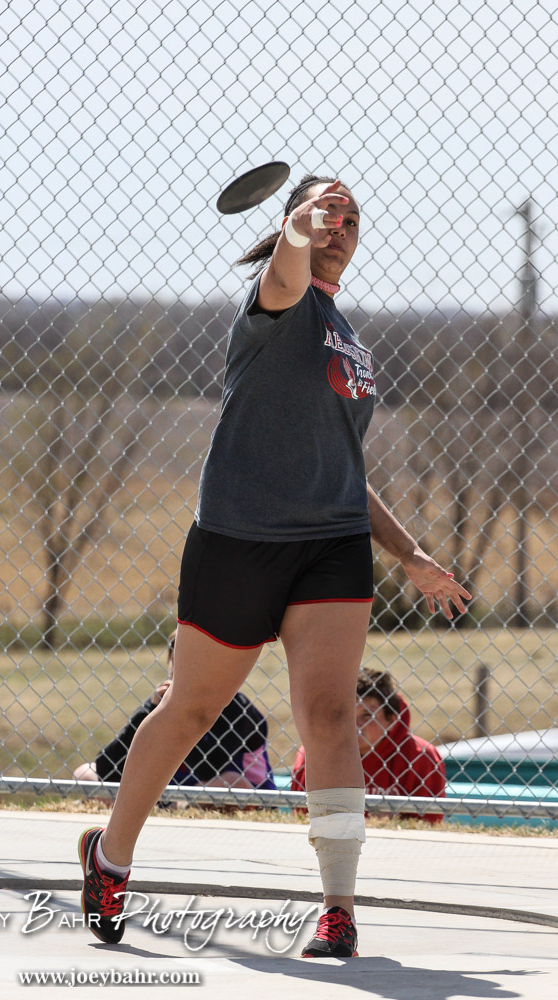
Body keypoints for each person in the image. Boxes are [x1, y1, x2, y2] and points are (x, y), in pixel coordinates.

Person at [78, 172, 471, 958]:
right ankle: (110, 859)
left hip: (331, 545)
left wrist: (410, 554)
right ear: (295, 222)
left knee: (328, 714)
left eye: (351, 218)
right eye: (327, 213)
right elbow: (286, 271)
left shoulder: (346, 334)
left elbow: (343, 466)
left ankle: (337, 909)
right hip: (240, 536)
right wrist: (298, 228)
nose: (340, 227)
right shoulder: (277, 302)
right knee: (191, 709)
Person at [73, 631, 275, 791]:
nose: (188, 670)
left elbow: (211, 771)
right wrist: (151, 710)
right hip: (176, 791)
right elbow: (107, 768)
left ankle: (179, 805)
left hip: (229, 793)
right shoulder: (162, 701)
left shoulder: (237, 708)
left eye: (197, 661)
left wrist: (183, 716)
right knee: (85, 774)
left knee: (229, 782)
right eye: (179, 660)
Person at [291, 669, 447, 823]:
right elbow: (301, 818)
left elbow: (429, 823)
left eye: (366, 715)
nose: (354, 724)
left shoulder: (420, 756)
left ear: (391, 721)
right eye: (347, 714)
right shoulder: (314, 752)